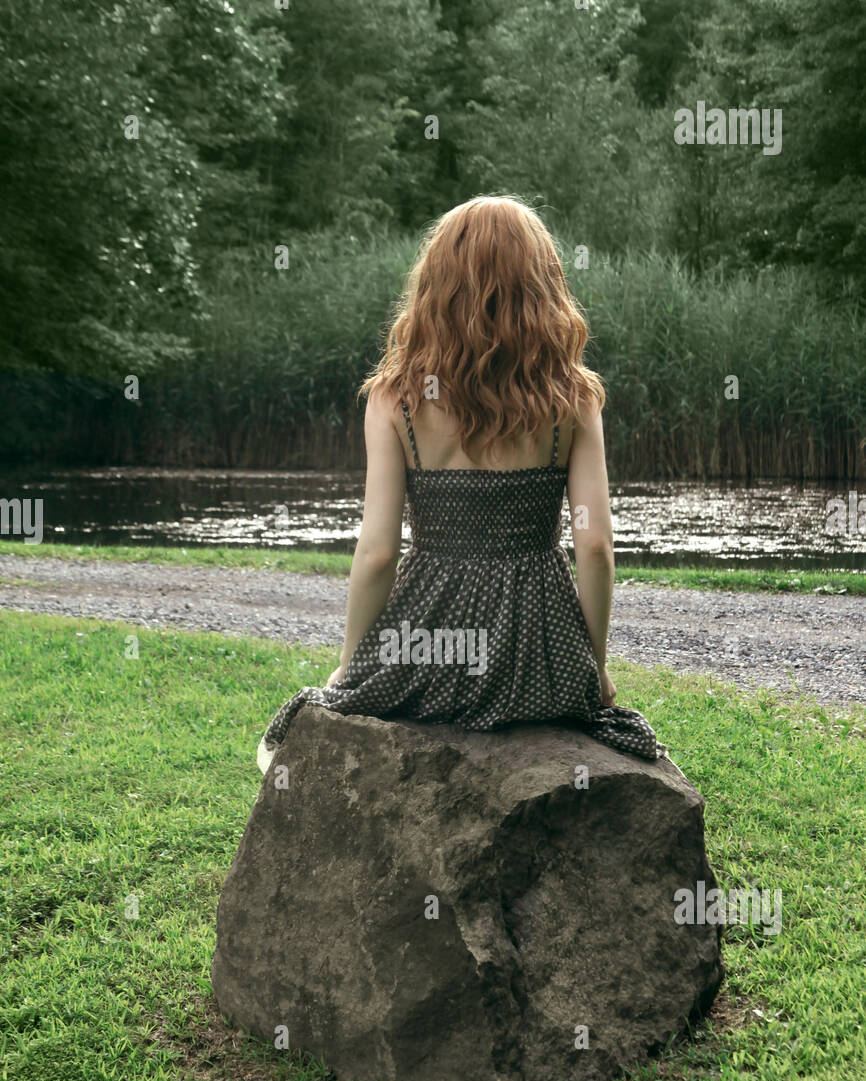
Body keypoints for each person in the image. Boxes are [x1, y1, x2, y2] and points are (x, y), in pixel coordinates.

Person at [257, 194, 662, 774]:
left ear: (436, 284)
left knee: (304, 724)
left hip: (425, 653)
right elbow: (594, 546)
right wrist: (590, 671)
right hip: (538, 659)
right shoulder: (575, 398)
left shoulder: (394, 398)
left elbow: (377, 554)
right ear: (542, 284)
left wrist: (353, 666)